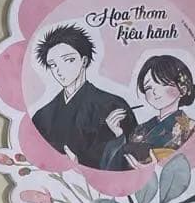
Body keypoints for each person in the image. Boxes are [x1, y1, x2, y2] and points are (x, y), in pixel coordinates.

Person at [31, 24, 137, 169]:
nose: (60, 70)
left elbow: (134, 160)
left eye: (68, 60)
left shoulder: (113, 105)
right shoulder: (42, 116)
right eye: (53, 65)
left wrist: (119, 138)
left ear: (84, 61)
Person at [101, 54, 195, 170]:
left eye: (162, 84)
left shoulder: (192, 129)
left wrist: (156, 169)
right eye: (148, 88)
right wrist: (119, 135)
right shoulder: (140, 129)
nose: (154, 92)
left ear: (183, 89)